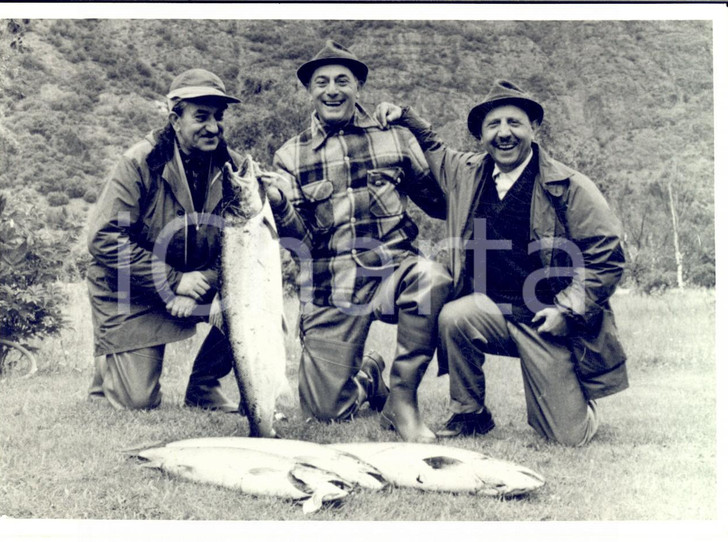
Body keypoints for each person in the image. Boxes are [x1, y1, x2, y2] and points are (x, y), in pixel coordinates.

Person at [375, 80, 628, 446]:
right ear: (481, 134)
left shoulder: (569, 186)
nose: (504, 133)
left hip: (546, 320)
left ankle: (574, 399)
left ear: (533, 129)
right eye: (493, 125)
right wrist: (405, 117)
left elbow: (607, 255)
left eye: (514, 123)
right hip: (492, 313)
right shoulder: (469, 173)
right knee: (453, 316)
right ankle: (470, 413)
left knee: (569, 437)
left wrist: (569, 310)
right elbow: (434, 147)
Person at [260, 41, 452, 443]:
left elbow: (442, 203)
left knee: (431, 276)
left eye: (343, 81)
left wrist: (419, 127)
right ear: (309, 91)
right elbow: (302, 241)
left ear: (358, 86)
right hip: (330, 287)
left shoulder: (395, 138)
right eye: (322, 82)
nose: (332, 89)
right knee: (324, 414)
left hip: (393, 271)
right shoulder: (289, 156)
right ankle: (369, 376)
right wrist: (278, 204)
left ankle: (402, 400)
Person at [87, 68, 244, 411]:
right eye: (201, 116)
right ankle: (109, 366)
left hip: (196, 283)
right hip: (132, 289)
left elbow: (246, 245)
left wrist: (203, 281)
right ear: (175, 119)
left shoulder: (235, 168)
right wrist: (171, 281)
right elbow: (104, 239)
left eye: (218, 117)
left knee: (253, 299)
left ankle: (204, 385)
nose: (213, 127)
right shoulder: (137, 163)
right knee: (136, 402)